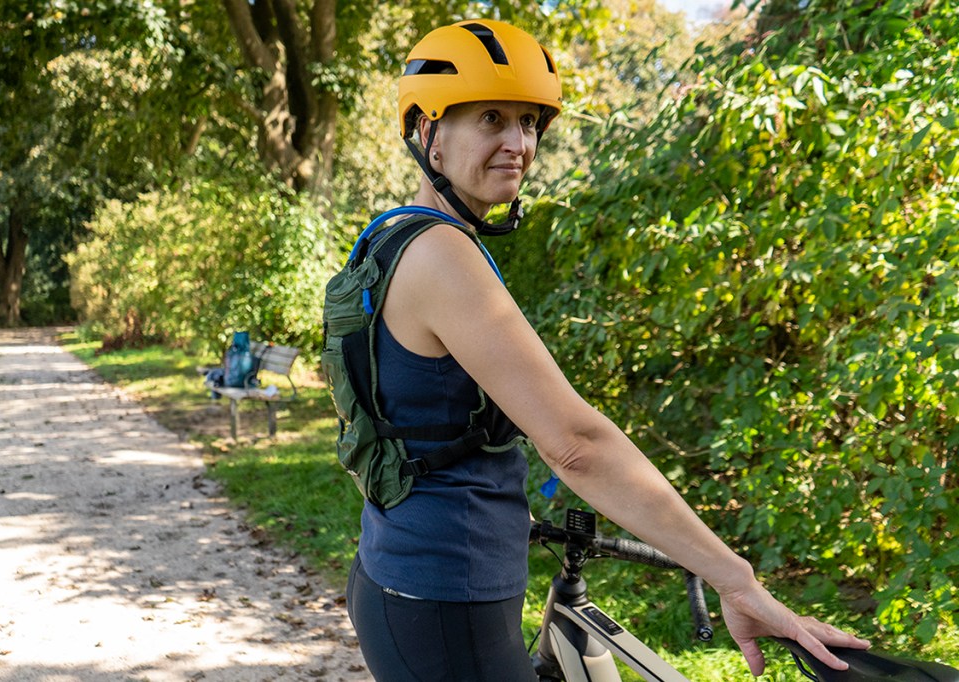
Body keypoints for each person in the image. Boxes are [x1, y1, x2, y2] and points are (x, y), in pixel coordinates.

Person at [344, 18, 870, 681]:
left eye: (531, 122)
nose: (519, 143)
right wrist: (735, 579)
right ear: (428, 134)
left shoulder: (388, 239)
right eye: (491, 119)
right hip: (448, 603)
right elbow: (575, 446)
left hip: (400, 574)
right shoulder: (443, 256)